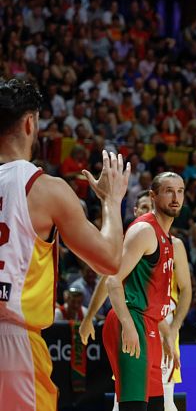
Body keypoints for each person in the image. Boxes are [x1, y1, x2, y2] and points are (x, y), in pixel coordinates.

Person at [0, 78, 129, 411]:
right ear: (30, 123)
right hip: (13, 343)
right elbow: (109, 261)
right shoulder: (44, 188)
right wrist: (111, 201)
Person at [81, 189, 192, 411]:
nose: (148, 212)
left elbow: (186, 289)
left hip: (161, 323)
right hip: (134, 317)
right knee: (129, 398)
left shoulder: (174, 244)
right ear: (136, 212)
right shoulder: (135, 238)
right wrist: (90, 317)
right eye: (143, 208)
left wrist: (173, 328)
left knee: (164, 399)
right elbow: (108, 280)